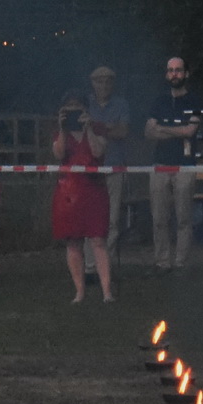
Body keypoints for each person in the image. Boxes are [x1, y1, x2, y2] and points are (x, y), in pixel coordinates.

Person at [51, 91, 114, 303]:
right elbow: (59, 154)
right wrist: (62, 128)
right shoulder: (60, 132)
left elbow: (98, 152)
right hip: (68, 193)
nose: (73, 112)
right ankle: (79, 291)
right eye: (68, 108)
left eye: (77, 108)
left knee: (98, 240)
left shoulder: (98, 128)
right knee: (73, 242)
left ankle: (107, 292)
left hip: (94, 189)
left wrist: (88, 128)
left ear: (86, 110)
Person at [144, 56, 203, 270]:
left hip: (185, 165)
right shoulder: (159, 101)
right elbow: (148, 132)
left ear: (186, 73)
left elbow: (190, 130)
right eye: (170, 70)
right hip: (160, 164)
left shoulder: (194, 100)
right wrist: (176, 131)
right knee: (159, 217)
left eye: (178, 70)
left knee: (184, 217)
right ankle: (162, 262)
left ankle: (181, 262)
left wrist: (163, 128)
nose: (174, 74)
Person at [85, 65, 132, 264]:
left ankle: (107, 262)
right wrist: (109, 127)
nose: (103, 85)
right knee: (90, 217)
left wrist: (97, 128)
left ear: (113, 84)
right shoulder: (86, 103)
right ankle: (90, 264)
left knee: (112, 219)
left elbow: (123, 132)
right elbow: (81, 132)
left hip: (114, 166)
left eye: (107, 81)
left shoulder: (121, 104)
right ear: (92, 83)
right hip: (90, 168)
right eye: (99, 81)